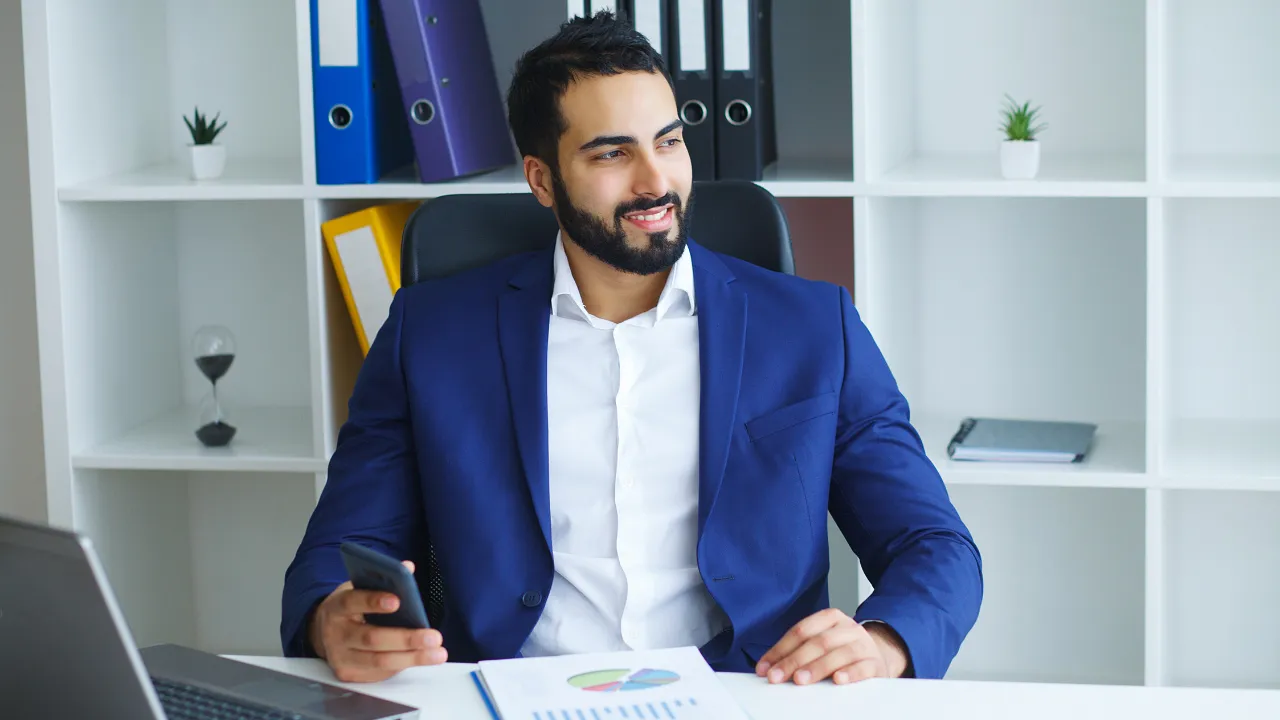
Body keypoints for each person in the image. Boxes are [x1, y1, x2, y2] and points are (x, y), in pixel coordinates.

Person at [281, 11, 982, 687]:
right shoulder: (431, 334)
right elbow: (338, 549)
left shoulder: (813, 329)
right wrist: (328, 619)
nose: (655, 182)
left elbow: (934, 545)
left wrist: (884, 642)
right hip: (511, 692)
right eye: (612, 153)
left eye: (668, 142)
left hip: (747, 690)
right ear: (541, 179)